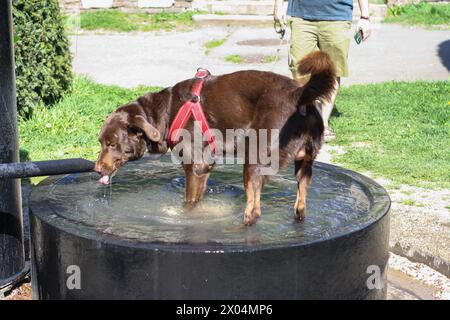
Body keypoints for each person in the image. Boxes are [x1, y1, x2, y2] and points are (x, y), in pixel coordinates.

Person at [274, 0, 371, 141]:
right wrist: (279, 5)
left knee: (332, 71)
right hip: (302, 16)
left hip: (337, 16)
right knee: (299, 70)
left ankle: (322, 124)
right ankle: (305, 119)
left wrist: (365, 17)